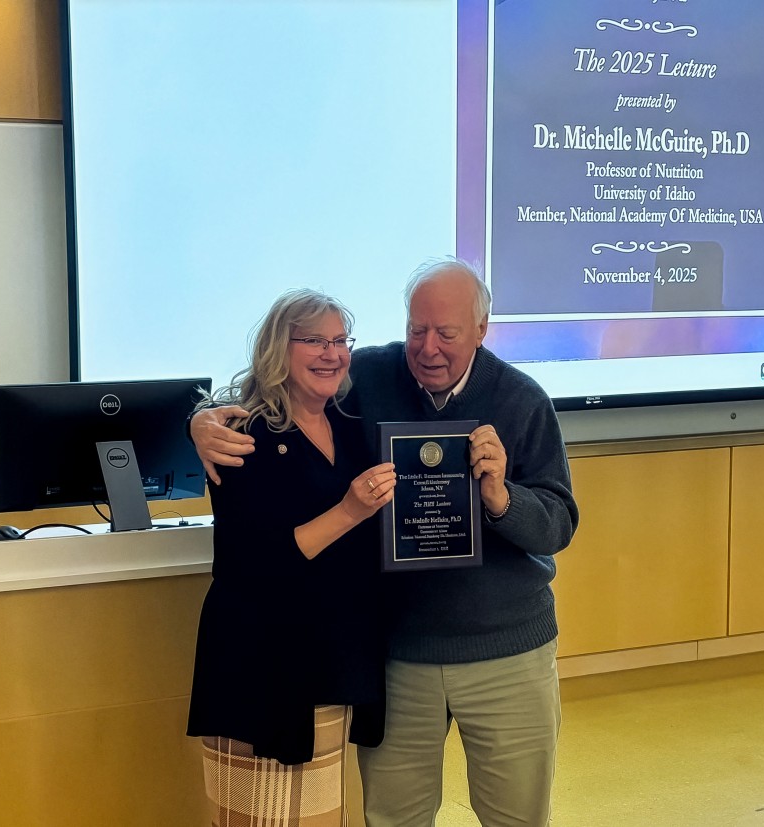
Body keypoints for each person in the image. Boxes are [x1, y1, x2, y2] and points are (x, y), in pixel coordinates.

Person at [192, 258, 580, 826]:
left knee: (517, 818)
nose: (428, 348)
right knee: (393, 819)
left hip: (506, 653)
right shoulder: (364, 380)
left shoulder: (521, 399)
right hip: (398, 656)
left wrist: (501, 498)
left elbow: (559, 524)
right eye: (416, 330)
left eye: (446, 333)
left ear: (481, 328)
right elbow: (275, 389)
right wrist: (198, 421)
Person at [185, 288, 398, 827]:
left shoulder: (351, 427)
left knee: (323, 813)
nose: (332, 353)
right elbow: (254, 562)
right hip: (263, 664)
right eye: (314, 341)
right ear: (279, 348)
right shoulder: (242, 434)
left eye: (339, 341)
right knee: (260, 817)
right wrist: (350, 510)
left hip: (333, 658)